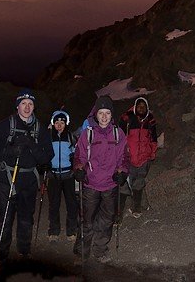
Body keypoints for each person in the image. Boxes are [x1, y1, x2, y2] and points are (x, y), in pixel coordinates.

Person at [0, 89, 53, 261]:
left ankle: (24, 251)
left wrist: (31, 145)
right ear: (17, 106)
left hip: (29, 180)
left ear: (34, 107)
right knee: (6, 217)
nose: (27, 107)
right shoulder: (5, 125)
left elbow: (48, 155)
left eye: (30, 104)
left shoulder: (40, 128)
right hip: (6, 179)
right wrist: (10, 151)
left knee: (26, 218)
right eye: (23, 103)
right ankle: (1, 254)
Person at [72, 95, 129, 263]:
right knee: (86, 219)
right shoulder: (87, 134)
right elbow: (78, 156)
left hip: (110, 185)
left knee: (106, 220)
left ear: (112, 115)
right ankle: (83, 250)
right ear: (95, 115)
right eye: (101, 113)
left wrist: (122, 171)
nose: (104, 117)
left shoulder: (118, 134)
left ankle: (100, 250)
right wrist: (79, 169)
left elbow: (124, 158)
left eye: (107, 113)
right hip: (91, 184)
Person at [118, 97, 158, 219]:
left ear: (147, 108)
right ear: (135, 107)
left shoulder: (150, 121)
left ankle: (136, 207)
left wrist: (152, 154)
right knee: (124, 184)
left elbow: (153, 139)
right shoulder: (127, 119)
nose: (141, 108)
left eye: (143, 106)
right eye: (139, 106)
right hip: (129, 158)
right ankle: (118, 212)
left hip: (143, 158)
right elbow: (120, 137)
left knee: (139, 183)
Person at [46, 110, 79, 242]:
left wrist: (74, 160)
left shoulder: (71, 137)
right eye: (57, 122)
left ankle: (71, 230)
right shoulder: (48, 137)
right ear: (53, 123)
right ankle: (54, 230)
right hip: (53, 175)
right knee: (54, 204)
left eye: (62, 122)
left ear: (66, 124)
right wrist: (44, 163)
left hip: (68, 175)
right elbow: (43, 153)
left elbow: (77, 153)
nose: (59, 125)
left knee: (71, 204)